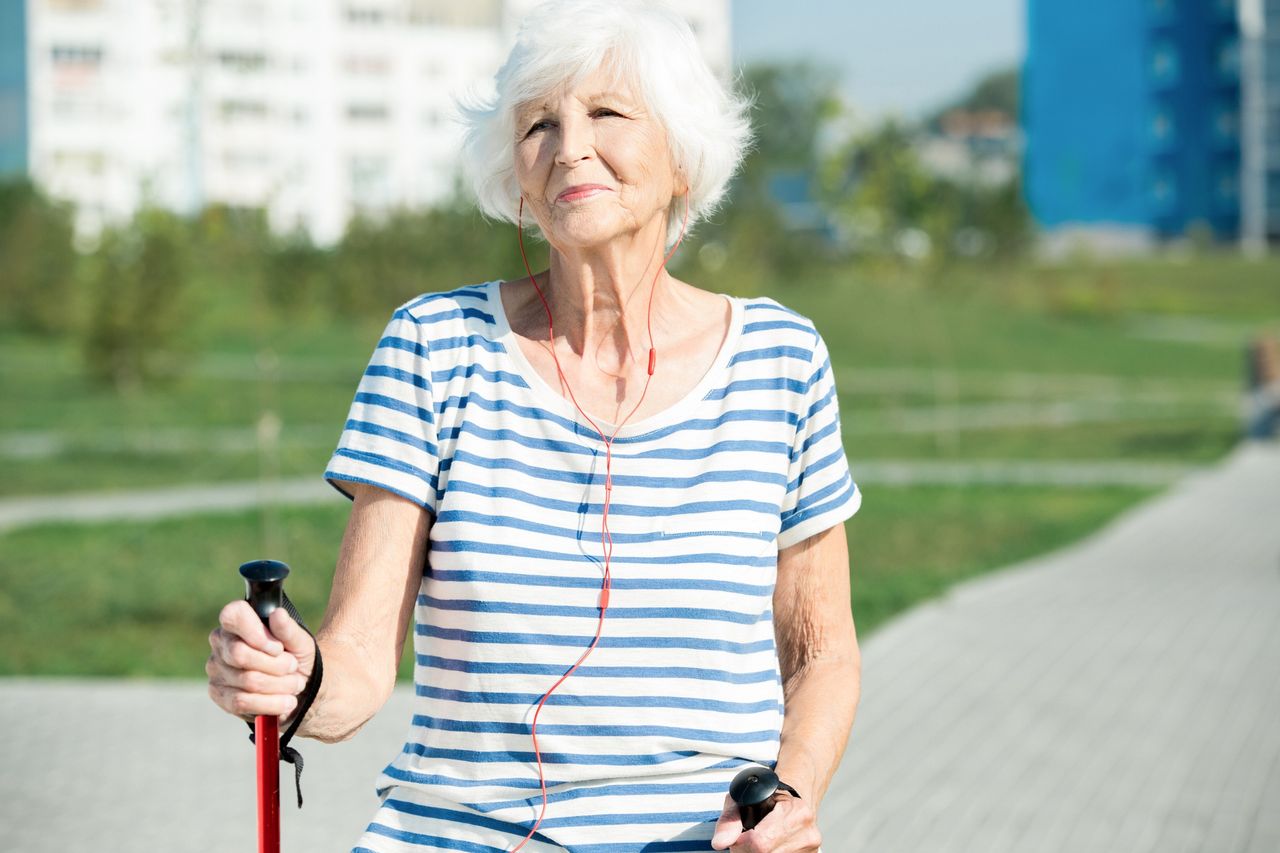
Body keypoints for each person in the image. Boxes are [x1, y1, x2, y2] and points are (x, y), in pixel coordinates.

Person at [206, 2, 863, 850]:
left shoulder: (782, 359)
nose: (569, 148)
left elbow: (823, 655)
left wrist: (793, 799)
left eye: (608, 114)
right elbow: (360, 660)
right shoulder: (433, 347)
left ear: (684, 158)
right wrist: (292, 681)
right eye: (538, 125)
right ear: (516, 176)